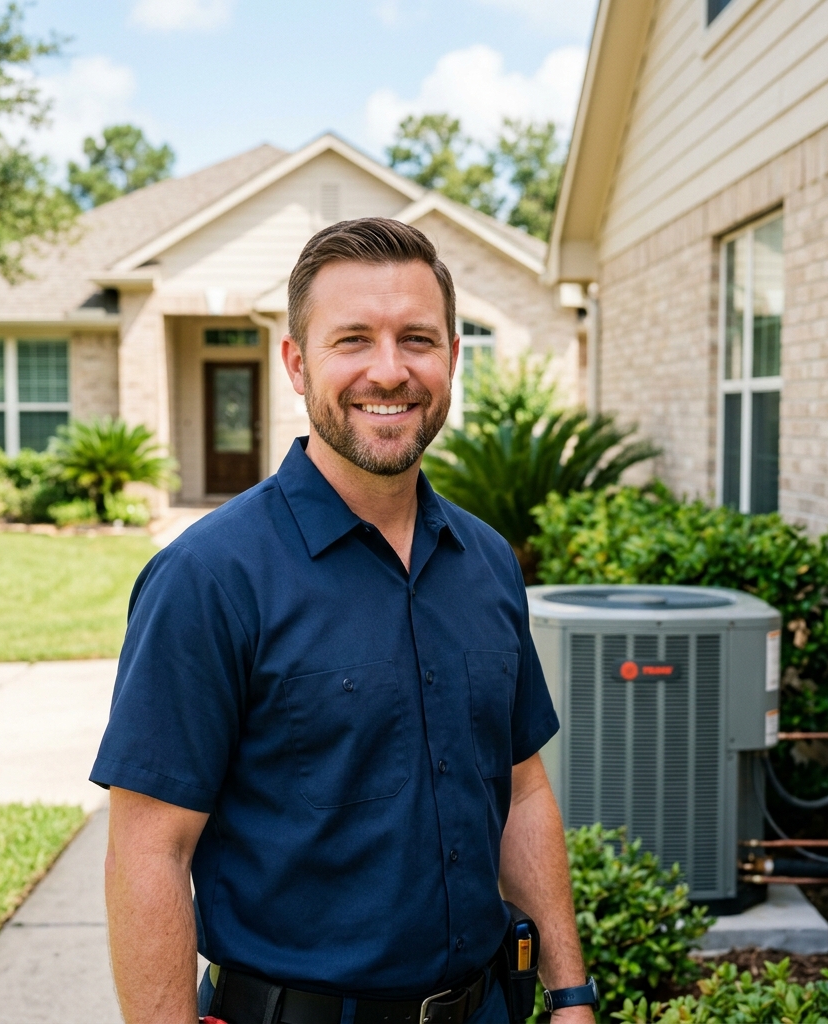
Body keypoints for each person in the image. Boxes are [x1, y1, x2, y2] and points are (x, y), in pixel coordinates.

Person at [91, 218, 597, 1024]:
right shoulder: (210, 578)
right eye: (353, 339)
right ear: (297, 363)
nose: (389, 371)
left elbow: (522, 787)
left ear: (454, 357)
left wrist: (571, 995)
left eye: (418, 339)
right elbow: (149, 848)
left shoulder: (489, 562)